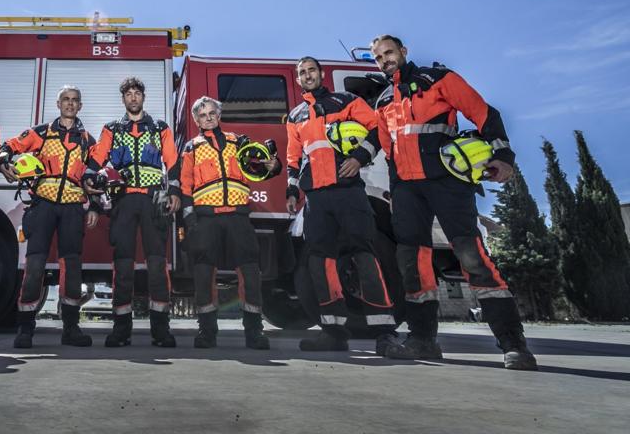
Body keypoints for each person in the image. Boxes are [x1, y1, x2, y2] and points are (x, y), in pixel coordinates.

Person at [370, 34, 537, 370]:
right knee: (412, 265)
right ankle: (422, 340)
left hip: (448, 183)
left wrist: (503, 155)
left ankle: (513, 344)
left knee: (471, 256)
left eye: (389, 52)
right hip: (407, 191)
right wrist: (394, 193)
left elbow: (484, 113)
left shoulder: (439, 79)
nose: (385, 60)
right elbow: (388, 151)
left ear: (403, 52)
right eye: (378, 57)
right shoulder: (384, 100)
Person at [286, 57, 397, 353]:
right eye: (301, 73)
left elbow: (377, 128)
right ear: (297, 80)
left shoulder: (346, 100)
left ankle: (385, 333)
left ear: (321, 74)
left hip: (348, 191)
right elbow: (294, 158)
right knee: (320, 261)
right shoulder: (295, 116)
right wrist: (292, 190)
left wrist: (360, 157)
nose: (307, 76)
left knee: (363, 255)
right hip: (316, 198)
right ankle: (333, 332)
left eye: (311, 70)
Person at [0, 86, 101, 348]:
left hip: (73, 209)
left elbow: (95, 177)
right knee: (34, 267)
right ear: (58, 103)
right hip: (42, 205)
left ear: (80, 106)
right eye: (66, 100)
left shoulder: (88, 140)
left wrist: (96, 207)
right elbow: (9, 145)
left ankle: (71, 328)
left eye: (75, 100)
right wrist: (3, 159)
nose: (70, 104)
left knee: (72, 270)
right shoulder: (42, 132)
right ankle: (25, 329)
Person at [179, 96, 280, 349]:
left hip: (237, 215)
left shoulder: (239, 142)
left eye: (212, 113)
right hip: (206, 218)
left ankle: (254, 332)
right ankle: (207, 332)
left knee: (250, 271)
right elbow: (185, 185)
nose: (209, 118)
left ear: (219, 115)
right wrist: (190, 218)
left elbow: (259, 167)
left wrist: (274, 165)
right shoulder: (191, 148)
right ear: (196, 120)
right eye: (203, 115)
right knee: (203, 273)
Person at [87, 77, 181, 348]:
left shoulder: (160, 128)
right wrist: (91, 189)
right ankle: (120, 330)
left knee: (156, 265)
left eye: (137, 93)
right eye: (128, 94)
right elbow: (95, 161)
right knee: (123, 266)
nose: (133, 97)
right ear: (123, 99)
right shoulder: (112, 129)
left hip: (154, 200)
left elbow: (172, 162)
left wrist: (174, 193)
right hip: (123, 202)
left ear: (143, 97)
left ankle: (161, 331)